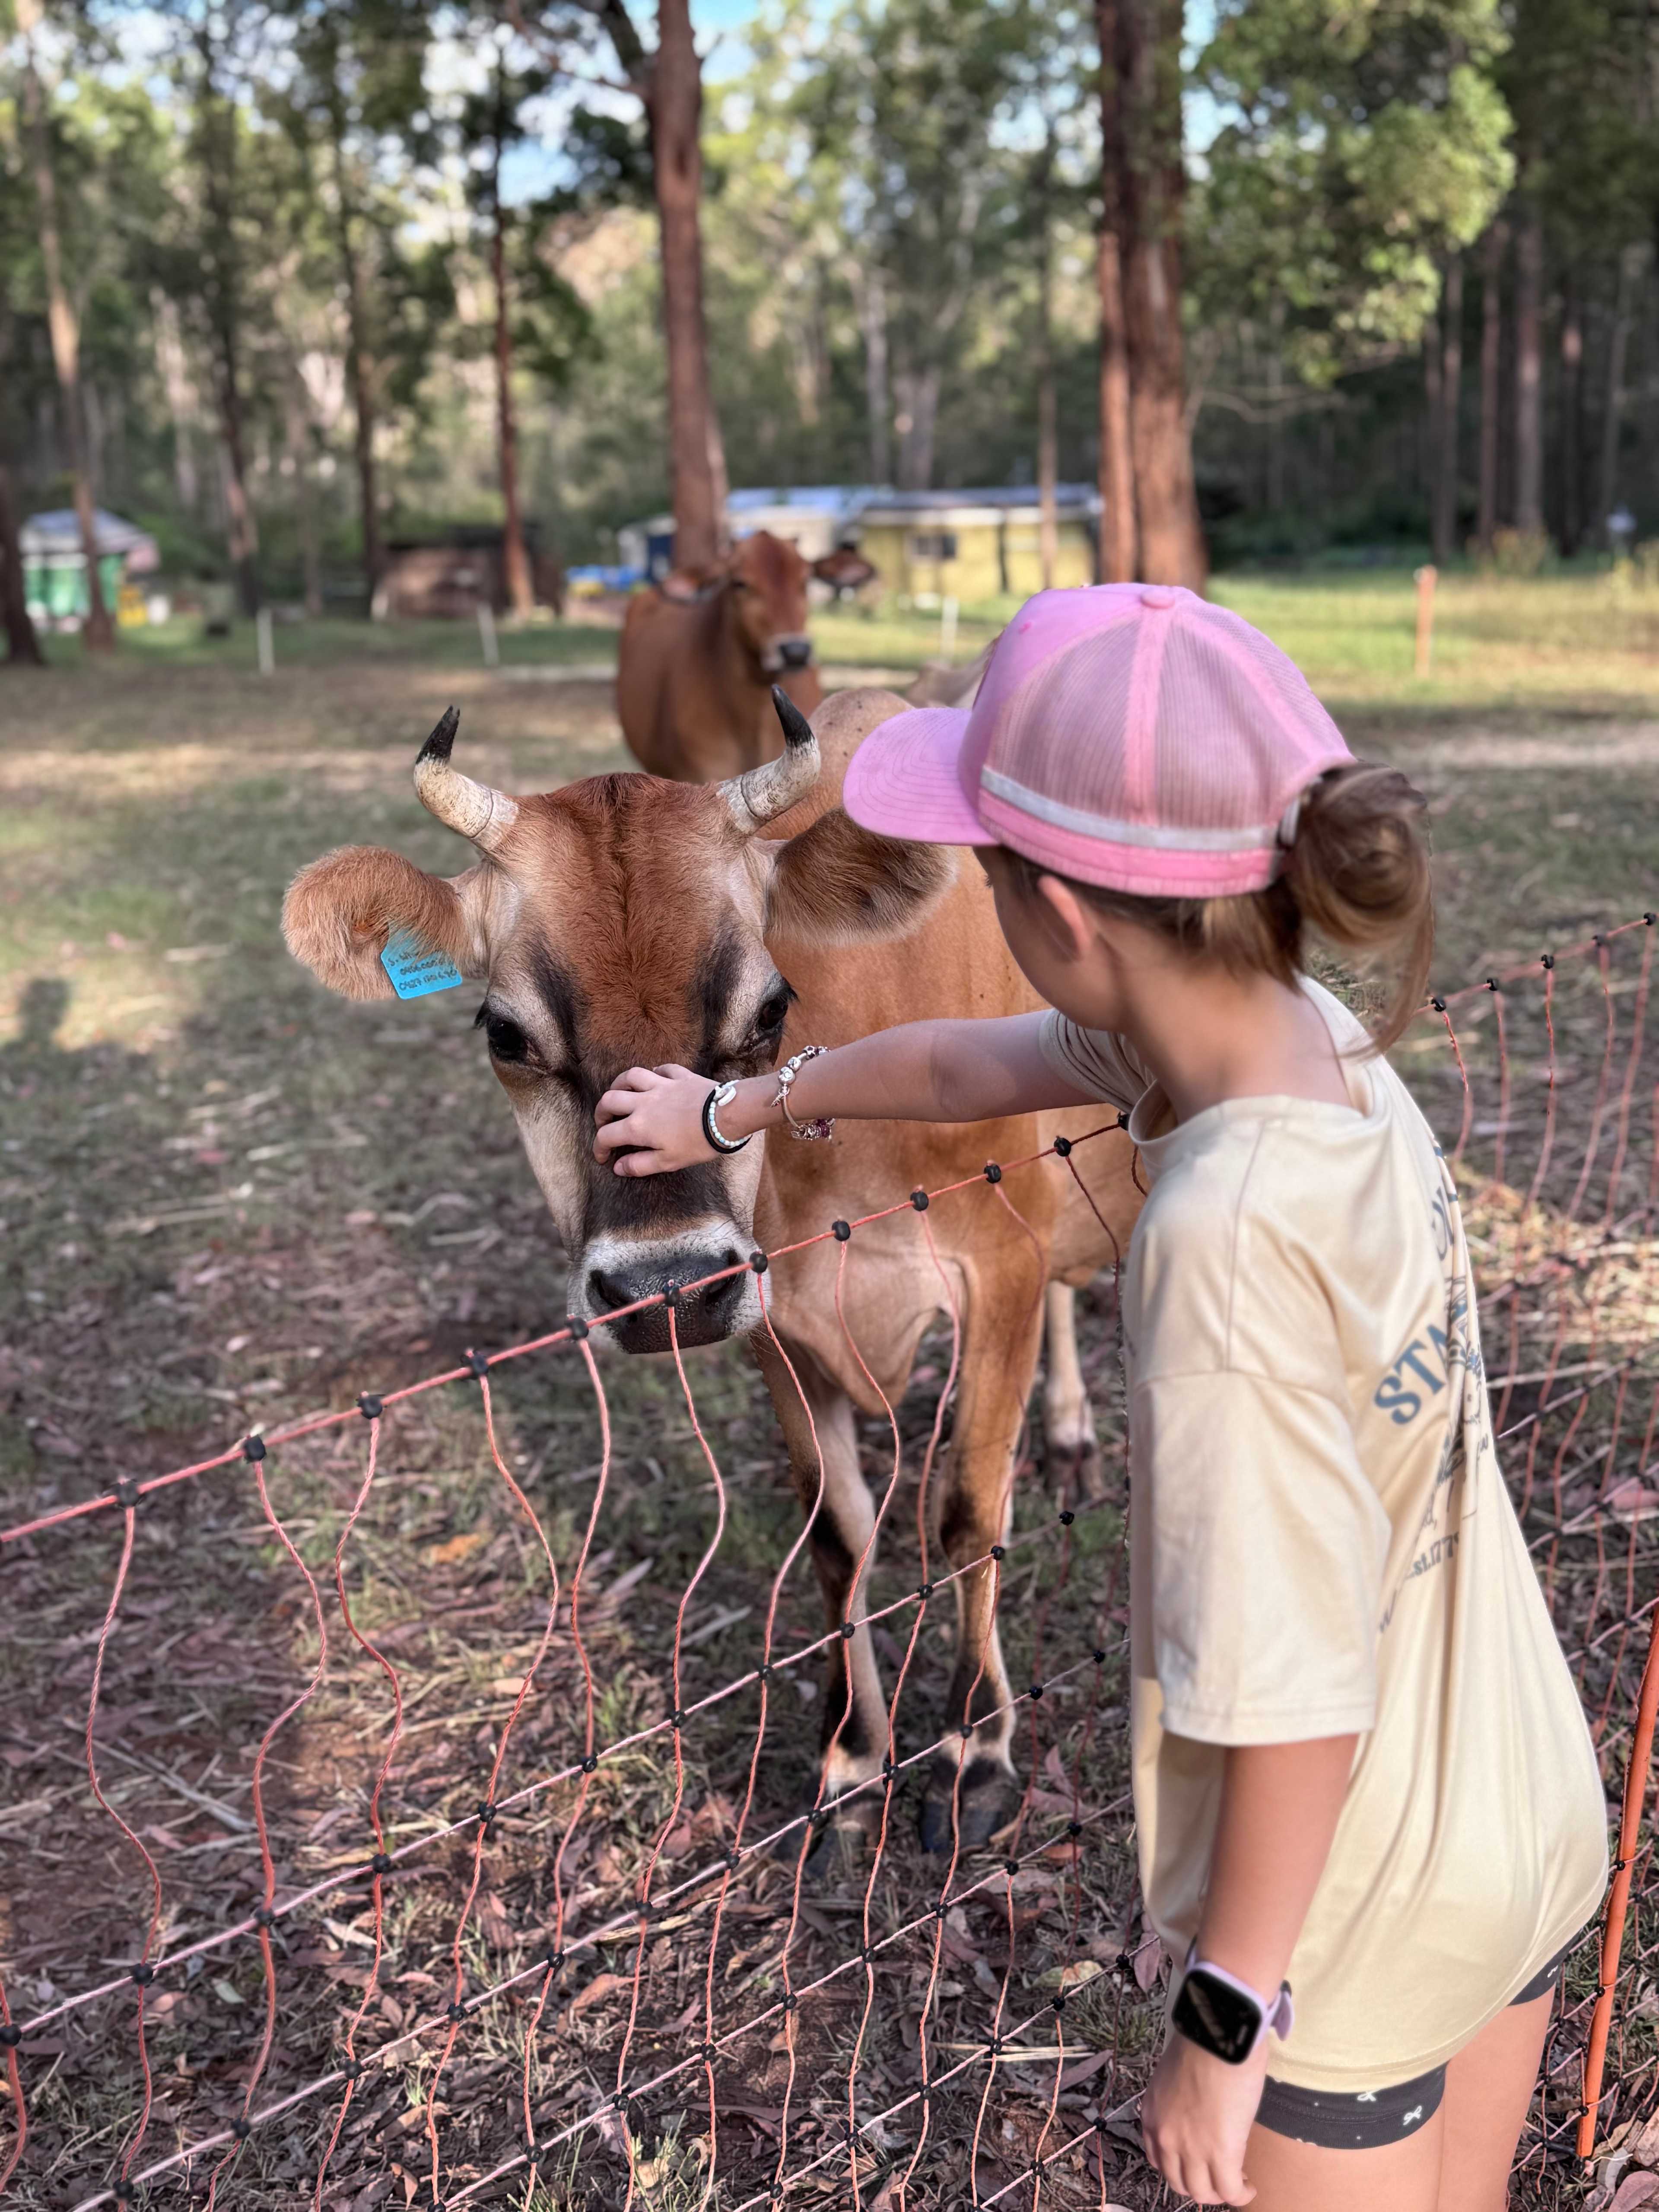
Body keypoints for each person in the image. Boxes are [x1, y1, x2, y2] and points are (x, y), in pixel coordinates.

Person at [590, 585, 1607, 2211]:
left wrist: (1227, 2012)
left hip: (1347, 1921)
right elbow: (967, 1061)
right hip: (1519, 1795)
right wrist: (742, 1105)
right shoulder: (1319, 1045)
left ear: (1054, 907)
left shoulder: (1215, 1237)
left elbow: (1295, 1690)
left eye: (985, 873)